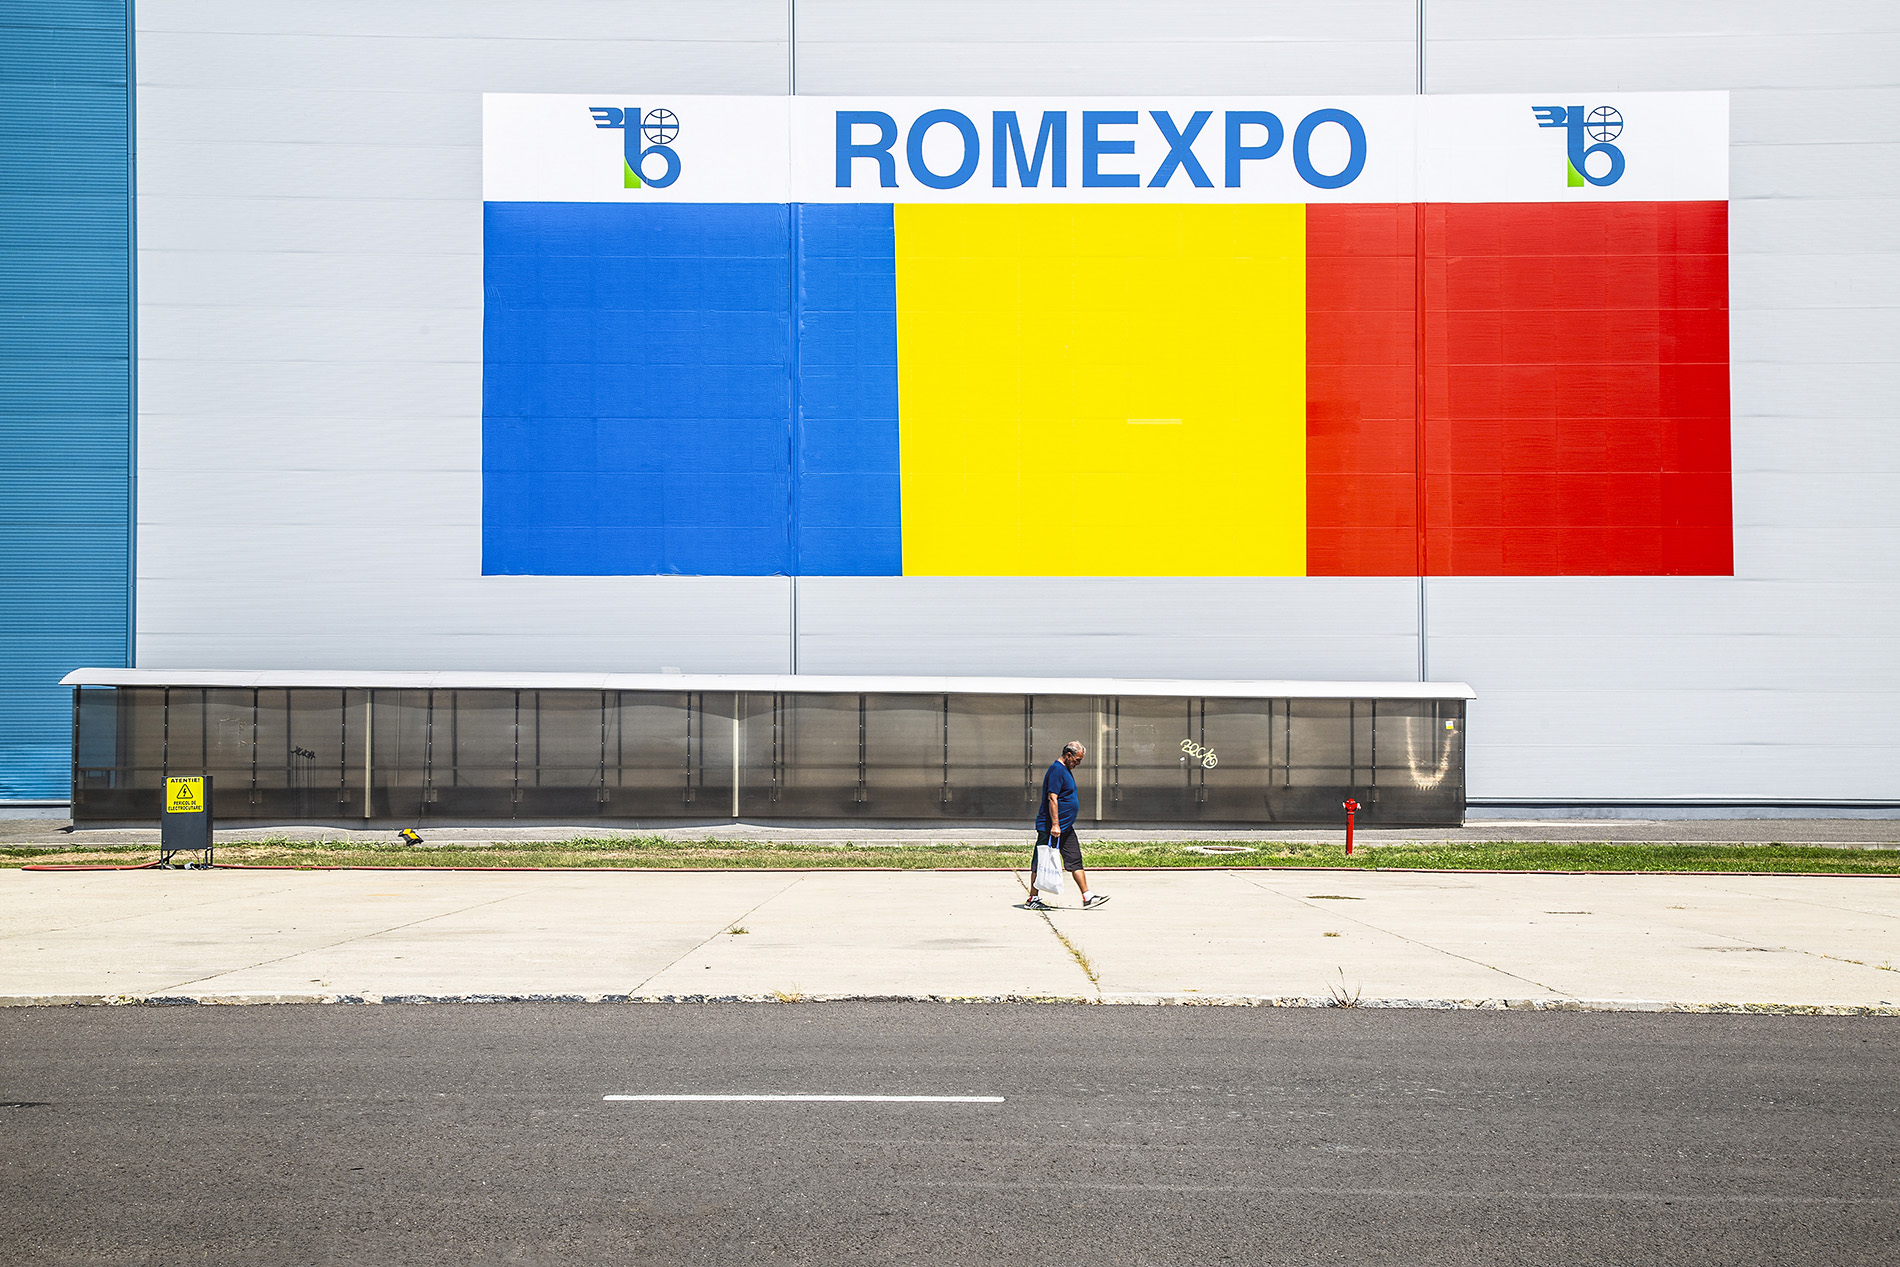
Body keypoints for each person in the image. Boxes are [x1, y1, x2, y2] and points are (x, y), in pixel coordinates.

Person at [1025, 740, 1108, 910]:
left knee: (1075, 860)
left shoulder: (1065, 770)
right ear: (1068, 755)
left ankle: (1087, 896)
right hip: (1051, 828)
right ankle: (1032, 899)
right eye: (1077, 760)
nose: (1078, 763)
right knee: (1041, 862)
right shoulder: (1057, 770)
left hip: (1065, 827)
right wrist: (1055, 825)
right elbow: (1052, 798)